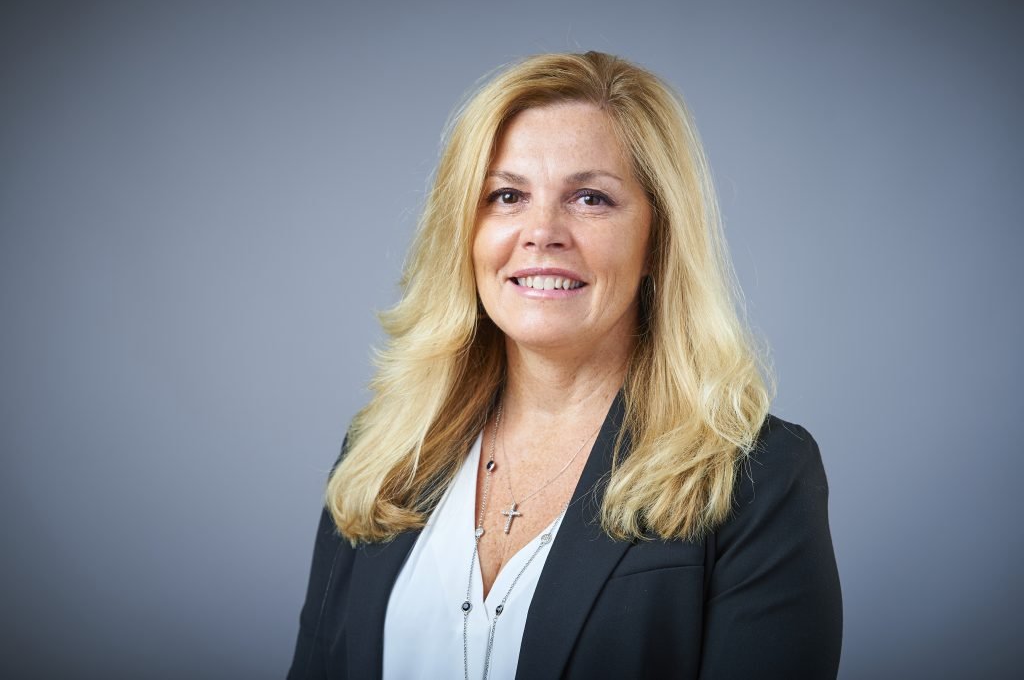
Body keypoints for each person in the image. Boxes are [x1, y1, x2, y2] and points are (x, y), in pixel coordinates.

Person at [287, 51, 842, 680]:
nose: (542, 231)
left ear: (658, 239)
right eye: (505, 195)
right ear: (463, 232)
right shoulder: (380, 454)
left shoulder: (756, 478)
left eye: (589, 198)